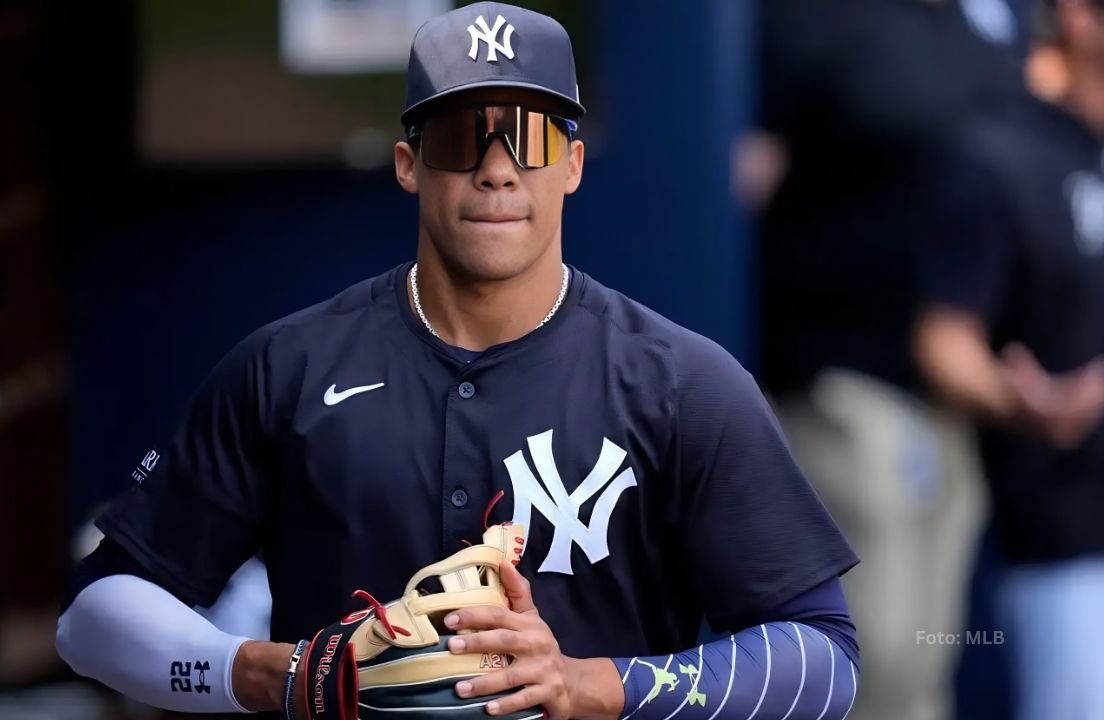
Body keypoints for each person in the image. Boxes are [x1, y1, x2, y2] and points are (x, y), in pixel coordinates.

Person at [56, 4, 860, 719]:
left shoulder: (685, 383)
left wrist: (593, 686)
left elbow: (824, 660)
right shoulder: (288, 367)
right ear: (409, 164)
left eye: (533, 134)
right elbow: (93, 619)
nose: (498, 165)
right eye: (460, 135)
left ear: (573, 167)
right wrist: (285, 675)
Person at [747, 2, 1029, 719]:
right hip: (843, 380)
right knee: (875, 648)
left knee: (931, 656)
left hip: (957, 395)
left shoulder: (982, 28)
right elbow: (740, 176)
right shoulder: (818, 24)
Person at [915, 1, 1104, 718]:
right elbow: (944, 339)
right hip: (1064, 543)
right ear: (1078, 18)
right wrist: (1026, 401)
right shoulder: (1002, 156)